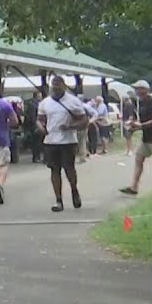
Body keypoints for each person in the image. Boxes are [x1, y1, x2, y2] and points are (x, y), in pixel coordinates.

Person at [37, 76, 89, 212]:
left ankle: (74, 189)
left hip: (68, 141)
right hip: (50, 141)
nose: (55, 89)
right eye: (53, 87)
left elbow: (84, 121)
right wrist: (41, 127)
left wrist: (70, 126)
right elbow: (40, 119)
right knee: (54, 170)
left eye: (58, 87)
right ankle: (58, 200)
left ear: (64, 86)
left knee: (69, 168)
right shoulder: (45, 103)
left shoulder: (73, 101)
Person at [120, 81, 152, 195]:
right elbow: (143, 121)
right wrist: (134, 126)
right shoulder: (141, 102)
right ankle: (134, 187)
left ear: (145, 89)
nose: (136, 91)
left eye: (138, 88)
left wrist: (140, 125)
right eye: (136, 89)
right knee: (139, 159)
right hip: (146, 138)